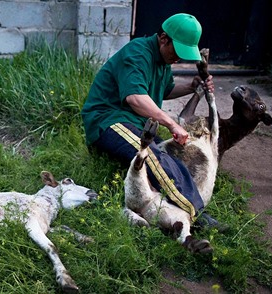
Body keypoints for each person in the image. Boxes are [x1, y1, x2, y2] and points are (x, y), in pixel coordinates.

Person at [81, 13, 223, 229]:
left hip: (135, 123)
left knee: (168, 156)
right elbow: (136, 98)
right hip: (108, 120)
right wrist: (172, 124)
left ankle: (167, 205)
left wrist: (193, 87)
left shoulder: (162, 60)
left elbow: (165, 90)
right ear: (164, 38)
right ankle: (195, 213)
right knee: (154, 158)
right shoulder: (137, 53)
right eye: (177, 51)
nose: (179, 59)